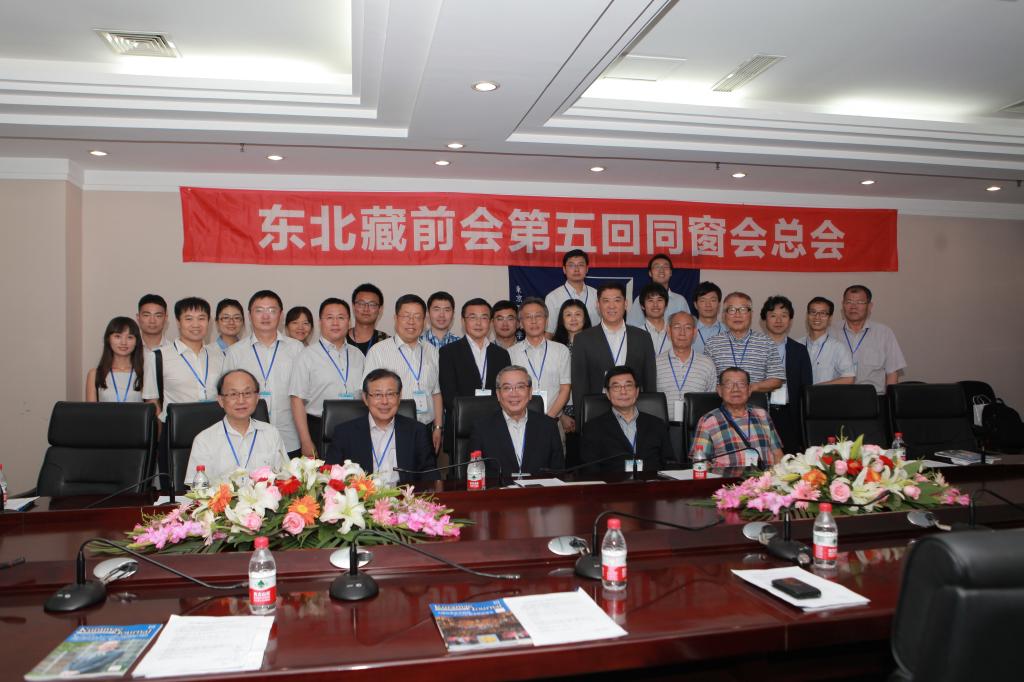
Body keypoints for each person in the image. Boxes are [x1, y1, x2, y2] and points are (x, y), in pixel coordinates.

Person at [142, 297, 225, 485]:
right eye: (189, 318)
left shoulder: (219, 355)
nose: (196, 324)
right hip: (175, 435)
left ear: (209, 322)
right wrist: (160, 439)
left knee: (215, 489)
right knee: (176, 490)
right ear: (178, 322)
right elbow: (152, 401)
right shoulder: (158, 356)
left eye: (201, 318)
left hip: (214, 432)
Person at [223, 290, 304, 456]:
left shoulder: (296, 349)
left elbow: (302, 395)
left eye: (272, 310)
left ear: (280, 315)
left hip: (289, 437)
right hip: (247, 440)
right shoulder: (235, 352)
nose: (265, 316)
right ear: (250, 315)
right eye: (259, 310)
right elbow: (227, 397)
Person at [324, 369, 438, 485]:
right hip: (363, 495)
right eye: (377, 395)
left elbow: (430, 475)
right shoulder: (344, 433)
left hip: (404, 494)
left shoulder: (417, 431)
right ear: (365, 398)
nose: (384, 401)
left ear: (399, 397)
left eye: (390, 394)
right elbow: (330, 476)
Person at [362, 294, 443, 453]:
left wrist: (438, 427)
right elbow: (369, 394)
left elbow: (436, 392)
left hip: (426, 428)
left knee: (426, 468)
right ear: (395, 318)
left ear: (424, 321)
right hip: (391, 428)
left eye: (417, 317)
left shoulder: (432, 351)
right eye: (406, 316)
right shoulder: (378, 351)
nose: (411, 322)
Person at [289, 298, 366, 457]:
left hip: (356, 426)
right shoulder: (306, 356)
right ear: (320, 322)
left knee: (357, 472)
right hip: (320, 428)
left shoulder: (358, 355)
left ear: (349, 321)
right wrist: (305, 441)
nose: (335, 323)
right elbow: (297, 400)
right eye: (330, 318)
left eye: (341, 317)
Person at [185, 369, 288, 485]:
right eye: (233, 394)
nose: (241, 400)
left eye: (247, 393)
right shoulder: (204, 440)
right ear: (221, 400)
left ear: (257, 397)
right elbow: (197, 489)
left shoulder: (271, 433)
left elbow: (285, 477)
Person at [570, 282, 657, 412]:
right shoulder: (583, 339)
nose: (611, 306)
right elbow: (579, 386)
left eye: (617, 300)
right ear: (598, 305)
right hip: (597, 413)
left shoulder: (643, 337)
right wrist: (581, 420)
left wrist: (651, 414)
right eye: (606, 301)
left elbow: (650, 382)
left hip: (635, 412)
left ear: (625, 304)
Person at [439, 298, 511, 453]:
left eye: (484, 317)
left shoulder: (501, 354)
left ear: (490, 322)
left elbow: (505, 392)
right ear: (463, 321)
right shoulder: (448, 352)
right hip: (461, 429)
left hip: (495, 429)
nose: (479, 323)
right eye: (473, 317)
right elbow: (449, 396)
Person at [467, 365, 564, 478]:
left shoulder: (548, 426)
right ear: (498, 394)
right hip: (499, 489)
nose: (514, 394)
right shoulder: (481, 428)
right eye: (507, 388)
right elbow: (473, 475)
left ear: (530, 392)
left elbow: (558, 473)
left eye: (520, 387)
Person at [580, 366, 673, 476]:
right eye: (616, 387)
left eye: (628, 386)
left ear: (637, 391)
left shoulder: (657, 424)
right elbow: (589, 470)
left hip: (652, 484)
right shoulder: (593, 428)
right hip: (612, 485)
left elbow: (670, 464)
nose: (623, 392)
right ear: (608, 393)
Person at [690, 367, 784, 468]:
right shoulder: (708, 421)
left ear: (749, 389)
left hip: (765, 477)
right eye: (729, 384)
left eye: (741, 384)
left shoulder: (762, 414)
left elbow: (777, 454)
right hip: (726, 478)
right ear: (719, 390)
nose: (735, 389)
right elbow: (700, 462)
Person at [703, 291, 785, 394]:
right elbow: (705, 379)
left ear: (751, 314)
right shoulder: (712, 343)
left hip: (756, 402)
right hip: (721, 402)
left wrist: (752, 387)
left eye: (743, 309)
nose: (737, 315)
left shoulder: (766, 343)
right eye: (732, 310)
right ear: (724, 315)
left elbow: (777, 379)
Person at [760, 295, 813, 453]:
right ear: (764, 319)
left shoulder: (799, 350)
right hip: (762, 411)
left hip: (790, 414)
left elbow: (806, 386)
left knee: (790, 458)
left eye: (784, 316)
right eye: (773, 316)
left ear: (790, 320)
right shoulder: (756, 347)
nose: (778, 320)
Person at [834, 284, 907, 394]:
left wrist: (889, 401)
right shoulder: (831, 332)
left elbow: (892, 373)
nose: (853, 307)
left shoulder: (884, 333)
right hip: (837, 397)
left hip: (874, 398)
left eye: (860, 302)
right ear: (843, 304)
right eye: (849, 302)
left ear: (870, 306)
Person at [509, 297, 571, 420]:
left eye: (538, 316)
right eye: (528, 317)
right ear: (520, 323)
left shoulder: (561, 350)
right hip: (520, 420)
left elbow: (565, 388)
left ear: (546, 320)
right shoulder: (511, 353)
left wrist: (549, 418)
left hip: (553, 420)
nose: (534, 321)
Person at [655, 311, 717, 422]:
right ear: (668, 331)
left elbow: (711, 402)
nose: (682, 333)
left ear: (695, 332)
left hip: (697, 428)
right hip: (663, 427)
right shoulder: (656, 363)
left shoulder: (707, 364)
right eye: (677, 327)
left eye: (688, 328)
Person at [553, 299, 592, 467]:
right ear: (562, 320)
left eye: (578, 314)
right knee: (566, 463)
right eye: (568, 315)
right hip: (562, 413)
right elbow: (552, 384)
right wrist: (561, 415)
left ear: (585, 318)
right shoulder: (553, 346)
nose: (573, 319)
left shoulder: (595, 344)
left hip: (590, 413)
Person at [798, 297, 855, 385]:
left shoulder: (838, 347)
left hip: (825, 394)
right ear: (807, 315)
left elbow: (849, 378)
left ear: (830, 318)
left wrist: (817, 388)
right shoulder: (796, 344)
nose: (817, 317)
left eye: (823, 313)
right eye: (813, 312)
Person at [86, 316, 145, 403]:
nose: (123, 342)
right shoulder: (94, 374)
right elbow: (90, 410)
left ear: (136, 342)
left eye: (130, 337)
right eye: (118, 336)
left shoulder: (145, 374)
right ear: (108, 339)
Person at [626, 254, 692, 327]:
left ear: (671, 273)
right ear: (650, 273)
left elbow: (688, 326)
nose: (661, 270)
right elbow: (632, 327)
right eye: (657, 267)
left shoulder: (680, 301)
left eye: (665, 267)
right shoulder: (641, 299)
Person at [543, 249, 599, 335]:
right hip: (562, 343)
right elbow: (549, 332)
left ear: (587, 269)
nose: (576, 269)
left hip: (593, 342)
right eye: (571, 265)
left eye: (580, 265)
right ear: (564, 269)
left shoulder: (597, 295)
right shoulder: (553, 297)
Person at [347, 283, 390, 355]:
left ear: (380, 309)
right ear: (353, 306)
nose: (366, 309)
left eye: (372, 304)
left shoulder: (387, 342)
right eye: (361, 304)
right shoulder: (340, 339)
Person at [633, 282, 670, 356]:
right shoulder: (635, 335)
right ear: (642, 306)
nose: (655, 305)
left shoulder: (675, 332)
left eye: (659, 300)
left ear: (666, 305)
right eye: (650, 300)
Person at [691, 281, 725, 355]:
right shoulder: (688, 331)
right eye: (703, 301)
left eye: (713, 300)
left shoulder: (728, 331)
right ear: (695, 305)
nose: (708, 305)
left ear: (719, 304)